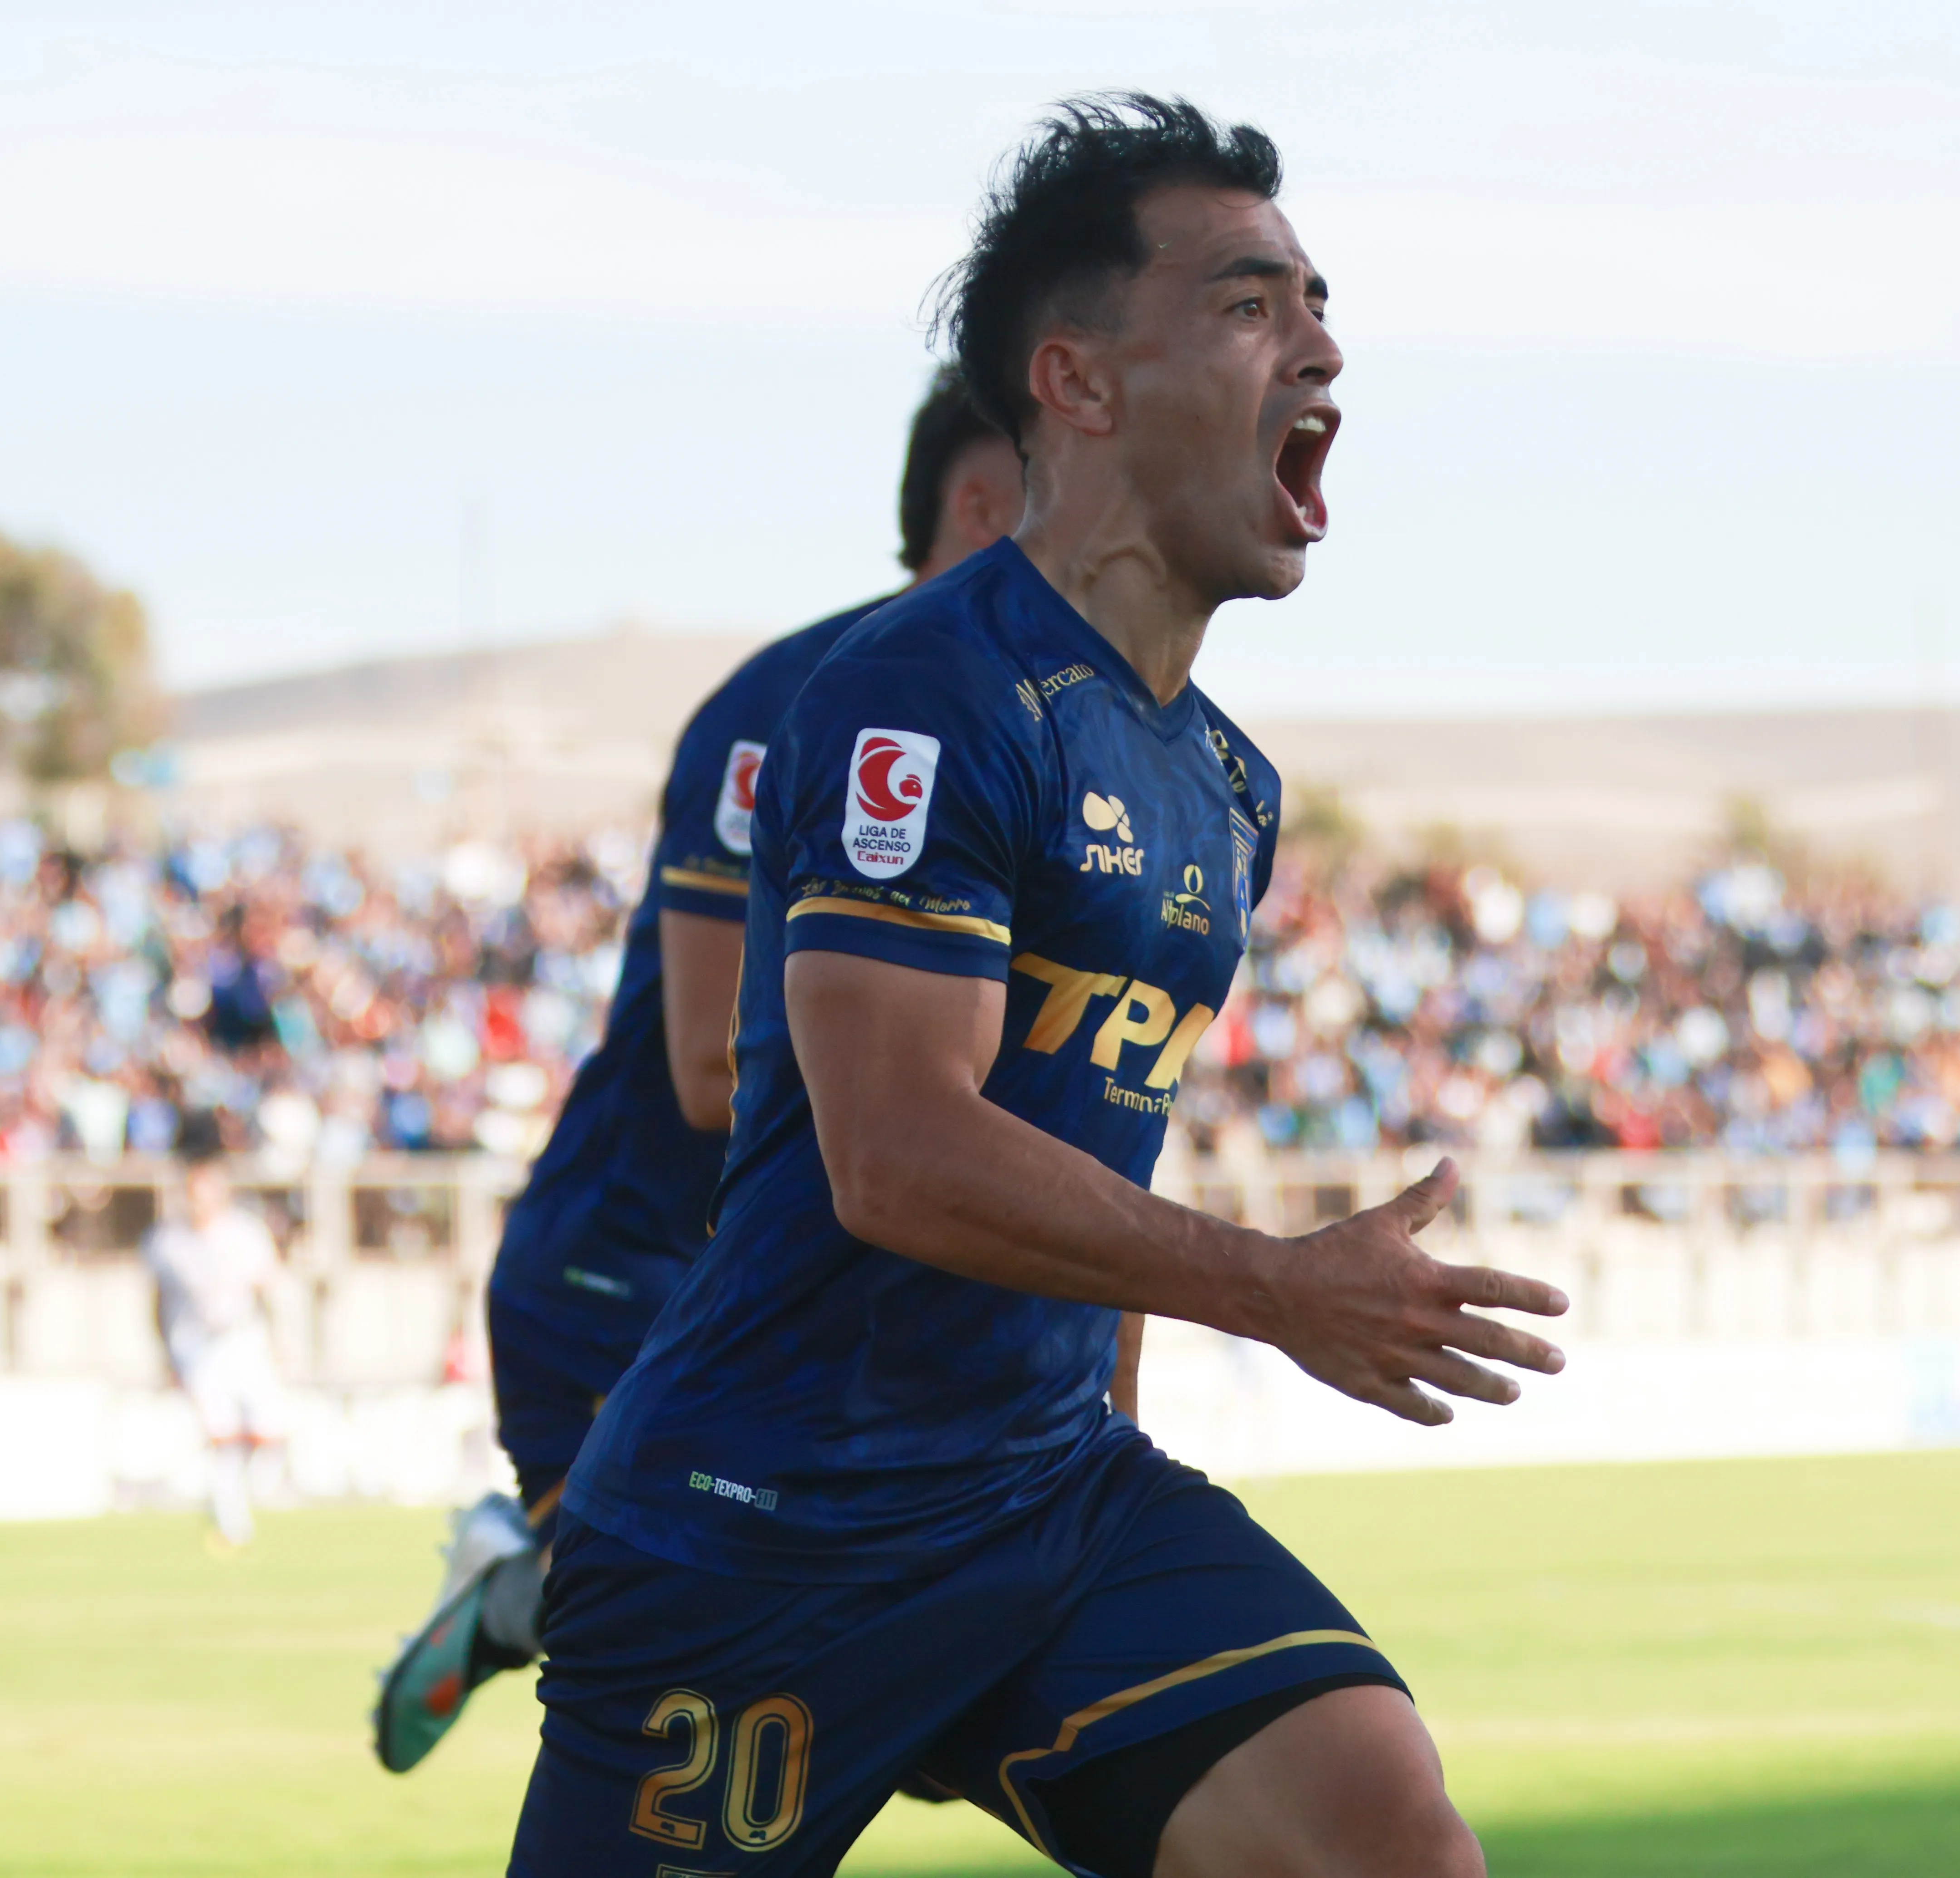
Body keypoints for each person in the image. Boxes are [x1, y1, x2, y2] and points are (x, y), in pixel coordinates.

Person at [509, 95, 1569, 1878]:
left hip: (1045, 1499)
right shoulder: (918, 693)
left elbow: (1092, 1165)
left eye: (1317, 303)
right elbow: (896, 1154)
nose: (1316, 345)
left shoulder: (1224, 786)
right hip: (760, 1530)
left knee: (1379, 1826)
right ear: (1075, 382)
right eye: (1248, 302)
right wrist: (1277, 1286)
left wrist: (1127, 1426)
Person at [371, 370, 1024, 1772]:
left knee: (864, 1692)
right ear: (983, 504)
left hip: (795, 1297)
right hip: (626, 1272)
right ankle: (528, 1583)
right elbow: (708, 1073)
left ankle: (527, 1587)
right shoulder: (789, 703)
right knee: (743, 1692)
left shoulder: (1051, 728)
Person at [143, 1142, 283, 1553]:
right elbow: (157, 1301)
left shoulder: (246, 1233)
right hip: (196, 1344)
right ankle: (230, 1518)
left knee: (269, 1428)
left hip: (244, 1338)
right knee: (221, 1433)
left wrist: (278, 1342)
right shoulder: (167, 1241)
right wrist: (165, 1353)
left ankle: (245, 1496)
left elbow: (266, 1292)